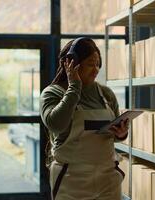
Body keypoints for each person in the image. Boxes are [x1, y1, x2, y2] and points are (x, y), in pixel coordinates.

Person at [40, 37, 129, 200]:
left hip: (107, 179)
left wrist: (121, 133)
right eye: (90, 64)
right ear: (71, 63)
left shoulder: (106, 94)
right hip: (72, 181)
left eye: (97, 64)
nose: (95, 69)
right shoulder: (52, 93)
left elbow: (114, 136)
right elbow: (56, 124)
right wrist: (74, 87)